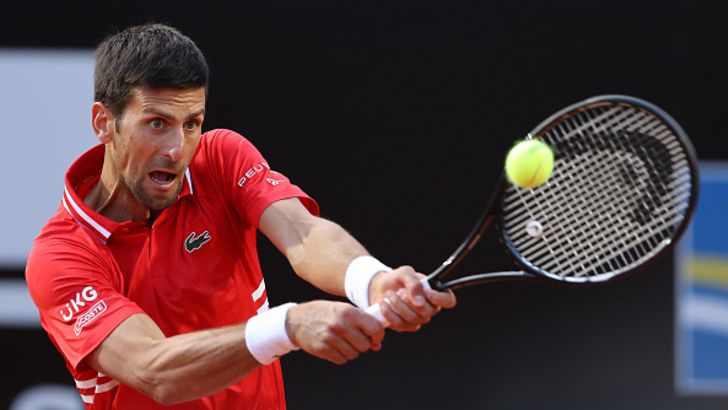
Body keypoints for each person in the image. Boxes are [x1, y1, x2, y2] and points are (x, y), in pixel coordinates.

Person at [25, 23, 456, 409]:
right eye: (156, 123)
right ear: (104, 122)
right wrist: (287, 326)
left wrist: (372, 280)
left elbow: (303, 234)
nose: (176, 149)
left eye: (191, 123)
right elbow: (154, 369)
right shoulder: (61, 256)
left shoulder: (219, 159)